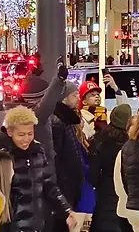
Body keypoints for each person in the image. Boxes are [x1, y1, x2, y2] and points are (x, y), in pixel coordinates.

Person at [0, 106, 75, 232]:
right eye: (21, 134)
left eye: (30, 133)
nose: (26, 139)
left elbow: (48, 184)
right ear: (9, 132)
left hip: (36, 225)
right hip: (8, 226)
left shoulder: (37, 152)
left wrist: (66, 209)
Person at [49, 81, 92, 232]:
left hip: (70, 182)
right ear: (64, 97)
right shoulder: (58, 121)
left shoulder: (67, 119)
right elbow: (58, 156)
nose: (78, 98)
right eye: (75, 95)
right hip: (65, 183)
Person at [88, 104, 133, 232]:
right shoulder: (132, 145)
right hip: (127, 199)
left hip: (104, 198)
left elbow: (93, 176)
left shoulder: (98, 141)